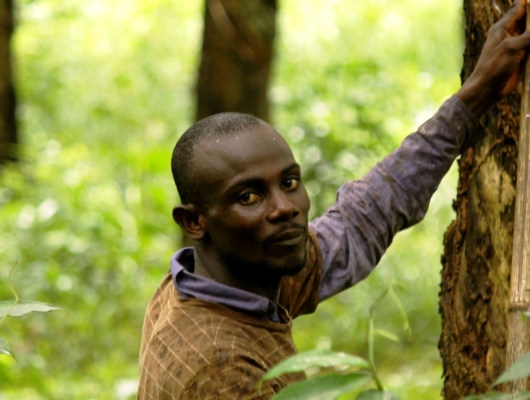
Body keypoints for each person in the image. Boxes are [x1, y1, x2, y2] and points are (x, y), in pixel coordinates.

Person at [137, 2, 530, 399]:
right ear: (194, 222)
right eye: (249, 196)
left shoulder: (225, 273)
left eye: (289, 182)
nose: (285, 208)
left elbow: (362, 221)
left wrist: (475, 95)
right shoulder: (220, 370)